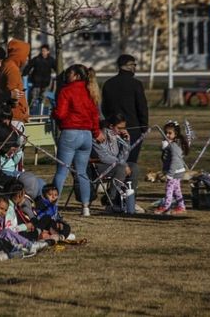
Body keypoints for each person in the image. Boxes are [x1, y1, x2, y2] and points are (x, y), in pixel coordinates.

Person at [52, 64, 103, 217]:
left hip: (70, 133)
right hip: (86, 135)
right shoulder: (91, 91)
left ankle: (52, 205)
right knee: (82, 173)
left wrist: (53, 113)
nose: (67, 76)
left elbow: (60, 114)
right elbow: (95, 116)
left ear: (76, 75)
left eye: (69, 73)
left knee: (62, 171)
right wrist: (96, 132)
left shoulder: (66, 91)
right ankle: (85, 207)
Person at [101, 54, 149, 163]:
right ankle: (129, 180)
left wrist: (110, 122)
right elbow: (142, 107)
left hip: (113, 128)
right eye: (134, 65)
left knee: (114, 159)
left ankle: (117, 179)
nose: (135, 67)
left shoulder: (108, 84)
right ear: (129, 66)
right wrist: (144, 126)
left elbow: (104, 107)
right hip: (133, 127)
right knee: (131, 161)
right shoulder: (136, 84)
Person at [91, 113, 139, 214]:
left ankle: (129, 200)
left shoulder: (115, 136)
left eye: (124, 128)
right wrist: (123, 164)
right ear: (111, 126)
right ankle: (111, 202)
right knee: (121, 168)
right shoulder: (99, 135)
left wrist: (126, 142)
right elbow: (104, 157)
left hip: (114, 165)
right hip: (98, 166)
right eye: (119, 128)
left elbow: (122, 158)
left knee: (134, 167)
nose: (122, 130)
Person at [155, 120, 189, 215]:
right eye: (165, 133)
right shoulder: (171, 145)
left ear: (176, 134)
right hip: (177, 172)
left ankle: (166, 206)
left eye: (170, 133)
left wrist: (169, 174)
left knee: (169, 189)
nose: (167, 135)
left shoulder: (174, 146)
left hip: (175, 172)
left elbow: (174, 161)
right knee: (177, 190)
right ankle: (181, 206)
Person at [23, 44, 56, 114]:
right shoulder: (36, 59)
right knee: (33, 98)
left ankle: (41, 113)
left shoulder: (51, 60)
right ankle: (30, 112)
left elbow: (56, 68)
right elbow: (29, 67)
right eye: (42, 51)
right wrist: (24, 74)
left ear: (48, 52)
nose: (43, 52)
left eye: (44, 51)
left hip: (46, 83)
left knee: (43, 98)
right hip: (36, 83)